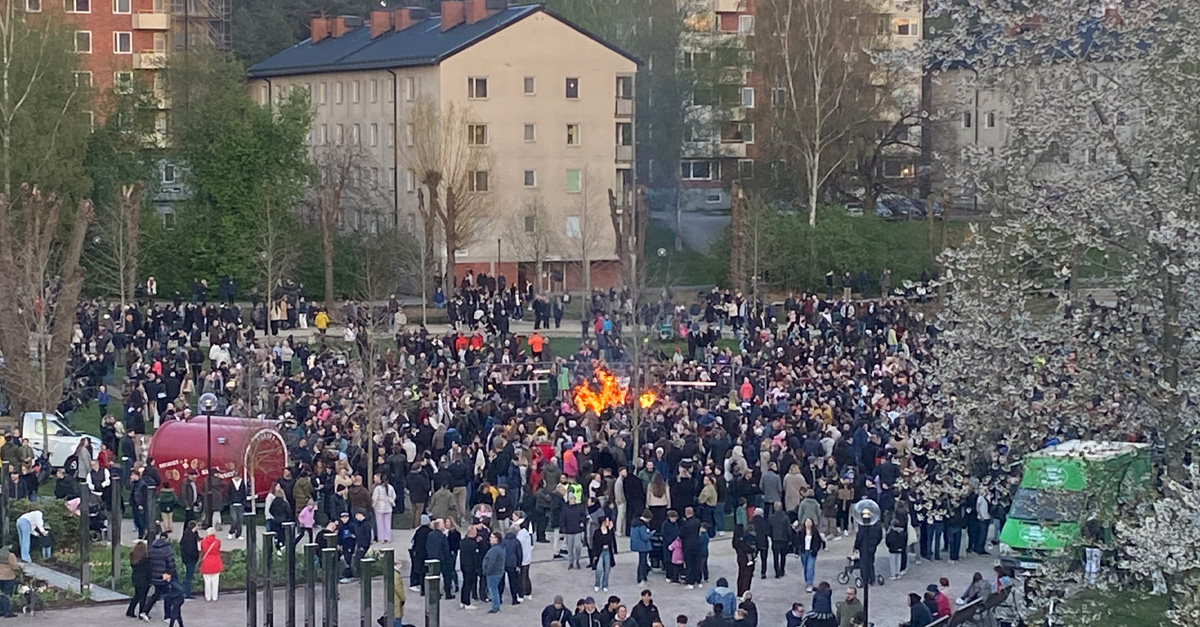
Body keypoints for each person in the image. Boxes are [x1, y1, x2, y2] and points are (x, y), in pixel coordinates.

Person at [143, 531, 178, 619]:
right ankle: (168, 616)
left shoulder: (152, 549)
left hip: (155, 576)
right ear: (166, 538)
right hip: (166, 576)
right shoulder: (167, 549)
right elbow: (171, 564)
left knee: (156, 594)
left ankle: (145, 611)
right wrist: (172, 574)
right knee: (167, 596)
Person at [852, 508, 882, 586]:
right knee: (871, 562)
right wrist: (875, 544)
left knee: (864, 563)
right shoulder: (877, 526)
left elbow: (859, 537)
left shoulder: (863, 526)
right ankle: (871, 578)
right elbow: (880, 536)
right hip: (872, 547)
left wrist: (856, 546)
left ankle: (865, 578)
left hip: (864, 547)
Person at [126, 540, 152, 619]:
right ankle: (142, 612)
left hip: (136, 578)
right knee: (143, 597)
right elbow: (149, 570)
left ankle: (130, 610)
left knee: (137, 595)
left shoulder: (133, 557)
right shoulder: (145, 559)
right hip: (144, 579)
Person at [482, 531, 506, 614]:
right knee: (494, 588)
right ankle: (496, 605)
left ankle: (495, 607)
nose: (490, 539)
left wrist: (487, 571)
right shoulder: (501, 548)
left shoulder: (494, 550)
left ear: (497, 539)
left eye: (492, 537)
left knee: (493, 589)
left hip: (493, 573)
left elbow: (491, 562)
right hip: (498, 571)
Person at [591, 516, 616, 592]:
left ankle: (605, 584)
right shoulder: (597, 532)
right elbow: (594, 544)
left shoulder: (610, 531)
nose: (609, 522)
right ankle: (597, 584)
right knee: (599, 568)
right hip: (600, 552)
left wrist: (611, 530)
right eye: (607, 521)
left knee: (607, 569)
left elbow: (611, 541)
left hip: (607, 551)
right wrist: (594, 555)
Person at [798, 517, 824, 592]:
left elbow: (818, 542)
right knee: (805, 567)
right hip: (804, 552)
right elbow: (798, 541)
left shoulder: (815, 532)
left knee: (810, 567)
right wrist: (798, 551)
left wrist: (815, 550)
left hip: (811, 552)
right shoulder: (801, 532)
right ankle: (807, 581)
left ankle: (809, 584)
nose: (808, 523)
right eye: (806, 522)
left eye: (809, 522)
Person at [200, 528, 223, 602]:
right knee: (215, 581)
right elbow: (218, 550)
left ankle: (208, 597)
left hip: (206, 562)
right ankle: (214, 597)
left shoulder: (203, 542)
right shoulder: (217, 541)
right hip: (216, 561)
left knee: (207, 581)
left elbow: (203, 550)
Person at [630, 513, 654, 584]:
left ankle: (643, 576)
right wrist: (651, 533)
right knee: (642, 562)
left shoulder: (635, 524)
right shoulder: (642, 526)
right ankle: (641, 577)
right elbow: (645, 537)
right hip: (643, 546)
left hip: (637, 545)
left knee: (642, 562)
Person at [372, 474, 396, 544]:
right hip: (388, 507)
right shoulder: (390, 487)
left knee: (380, 523)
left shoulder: (378, 488)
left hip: (379, 507)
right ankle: (387, 538)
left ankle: (381, 538)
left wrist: (373, 505)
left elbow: (374, 498)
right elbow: (394, 496)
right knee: (388, 523)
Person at [180, 521, 200, 598]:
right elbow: (191, 549)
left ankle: (186, 591)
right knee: (189, 576)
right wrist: (195, 556)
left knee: (188, 575)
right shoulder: (190, 537)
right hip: (190, 559)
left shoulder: (187, 534)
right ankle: (187, 593)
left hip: (186, 558)